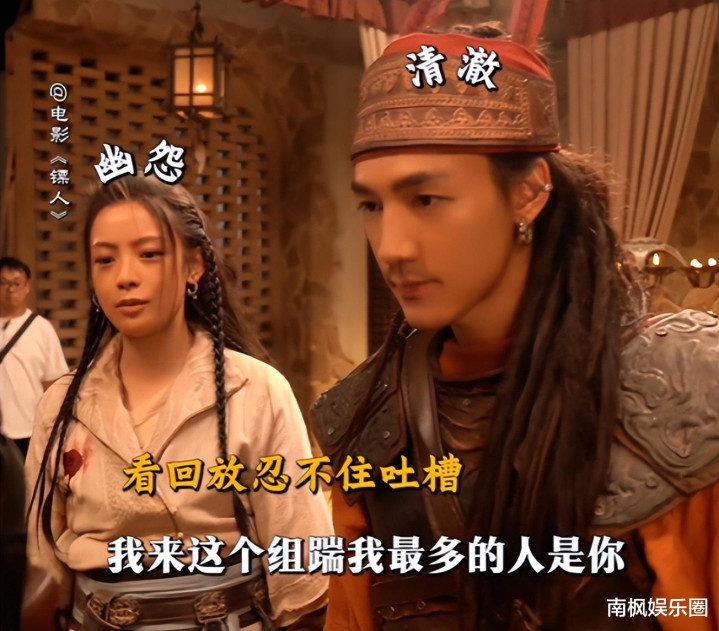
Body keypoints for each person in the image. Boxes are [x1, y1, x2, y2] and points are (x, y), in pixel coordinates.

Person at [311, 20, 719, 631]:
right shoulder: (367, 416)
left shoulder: (680, 394)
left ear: (529, 192)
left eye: (426, 200)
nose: (391, 247)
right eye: (371, 204)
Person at [25, 176, 331, 630]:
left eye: (149, 254)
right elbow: (42, 562)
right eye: (105, 259)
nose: (125, 276)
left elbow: (302, 566)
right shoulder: (62, 404)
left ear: (194, 266)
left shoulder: (255, 390)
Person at [0, 256, 68, 458]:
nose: (10, 289)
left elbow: (54, 384)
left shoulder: (42, 329)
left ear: (27, 286)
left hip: (29, 430)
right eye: (3, 283)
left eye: (16, 283)